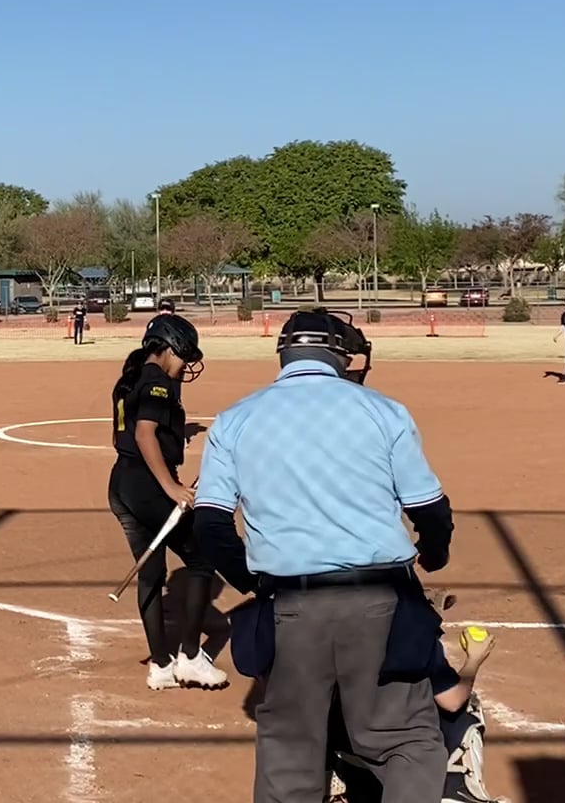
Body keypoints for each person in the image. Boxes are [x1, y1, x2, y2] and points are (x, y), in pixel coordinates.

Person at [194, 307, 454, 803]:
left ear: (284, 354)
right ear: (339, 355)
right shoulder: (383, 410)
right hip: (382, 597)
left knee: (290, 749)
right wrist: (434, 553)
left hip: (290, 603)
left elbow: (210, 525)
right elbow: (430, 508)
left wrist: (253, 583)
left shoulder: (235, 419)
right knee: (404, 739)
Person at [108, 313, 227, 691]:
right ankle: (190, 657)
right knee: (202, 559)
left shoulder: (130, 377)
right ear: (170, 348)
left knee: (151, 571)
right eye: (184, 357)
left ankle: (161, 664)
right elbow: (145, 434)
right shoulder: (157, 382)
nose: (186, 366)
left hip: (122, 482)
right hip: (146, 485)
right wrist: (171, 487)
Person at [329, 620, 503, 803]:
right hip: (404, 752)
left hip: (345, 746)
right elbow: (452, 701)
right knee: (465, 707)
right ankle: (455, 787)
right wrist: (474, 660)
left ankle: (332, 778)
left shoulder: (325, 620)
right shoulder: (414, 624)